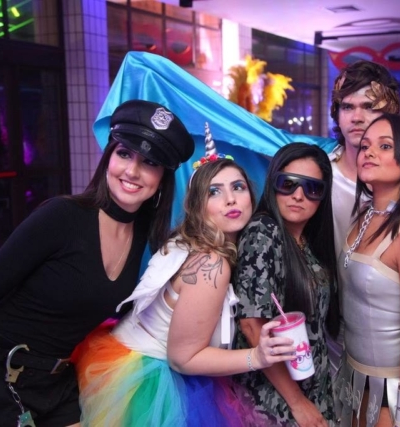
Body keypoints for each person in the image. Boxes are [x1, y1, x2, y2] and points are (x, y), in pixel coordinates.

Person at [0, 100, 195, 426]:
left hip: (58, 382)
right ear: (108, 159)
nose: (132, 171)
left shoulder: (146, 235)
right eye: (124, 154)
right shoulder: (62, 216)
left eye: (149, 162)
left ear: (162, 178)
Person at [75, 137, 297, 426]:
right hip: (148, 382)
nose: (230, 199)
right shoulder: (211, 263)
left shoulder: (191, 241)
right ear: (197, 207)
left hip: (127, 355)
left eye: (238, 187)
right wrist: (258, 357)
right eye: (213, 192)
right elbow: (183, 359)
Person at [327, 60, 400, 378]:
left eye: (369, 106)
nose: (356, 117)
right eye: (347, 106)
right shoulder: (319, 172)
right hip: (329, 330)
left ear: (391, 111)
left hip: (390, 341)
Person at [334, 113, 400, 427]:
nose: (369, 152)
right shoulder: (365, 213)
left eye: (384, 146)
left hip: (392, 389)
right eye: (365, 146)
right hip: (353, 377)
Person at [232, 143, 338, 427]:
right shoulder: (263, 233)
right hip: (275, 399)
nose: (298, 195)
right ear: (273, 184)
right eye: (288, 184)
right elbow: (252, 326)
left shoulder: (306, 241)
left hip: (311, 384)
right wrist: (297, 402)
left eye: (312, 188)